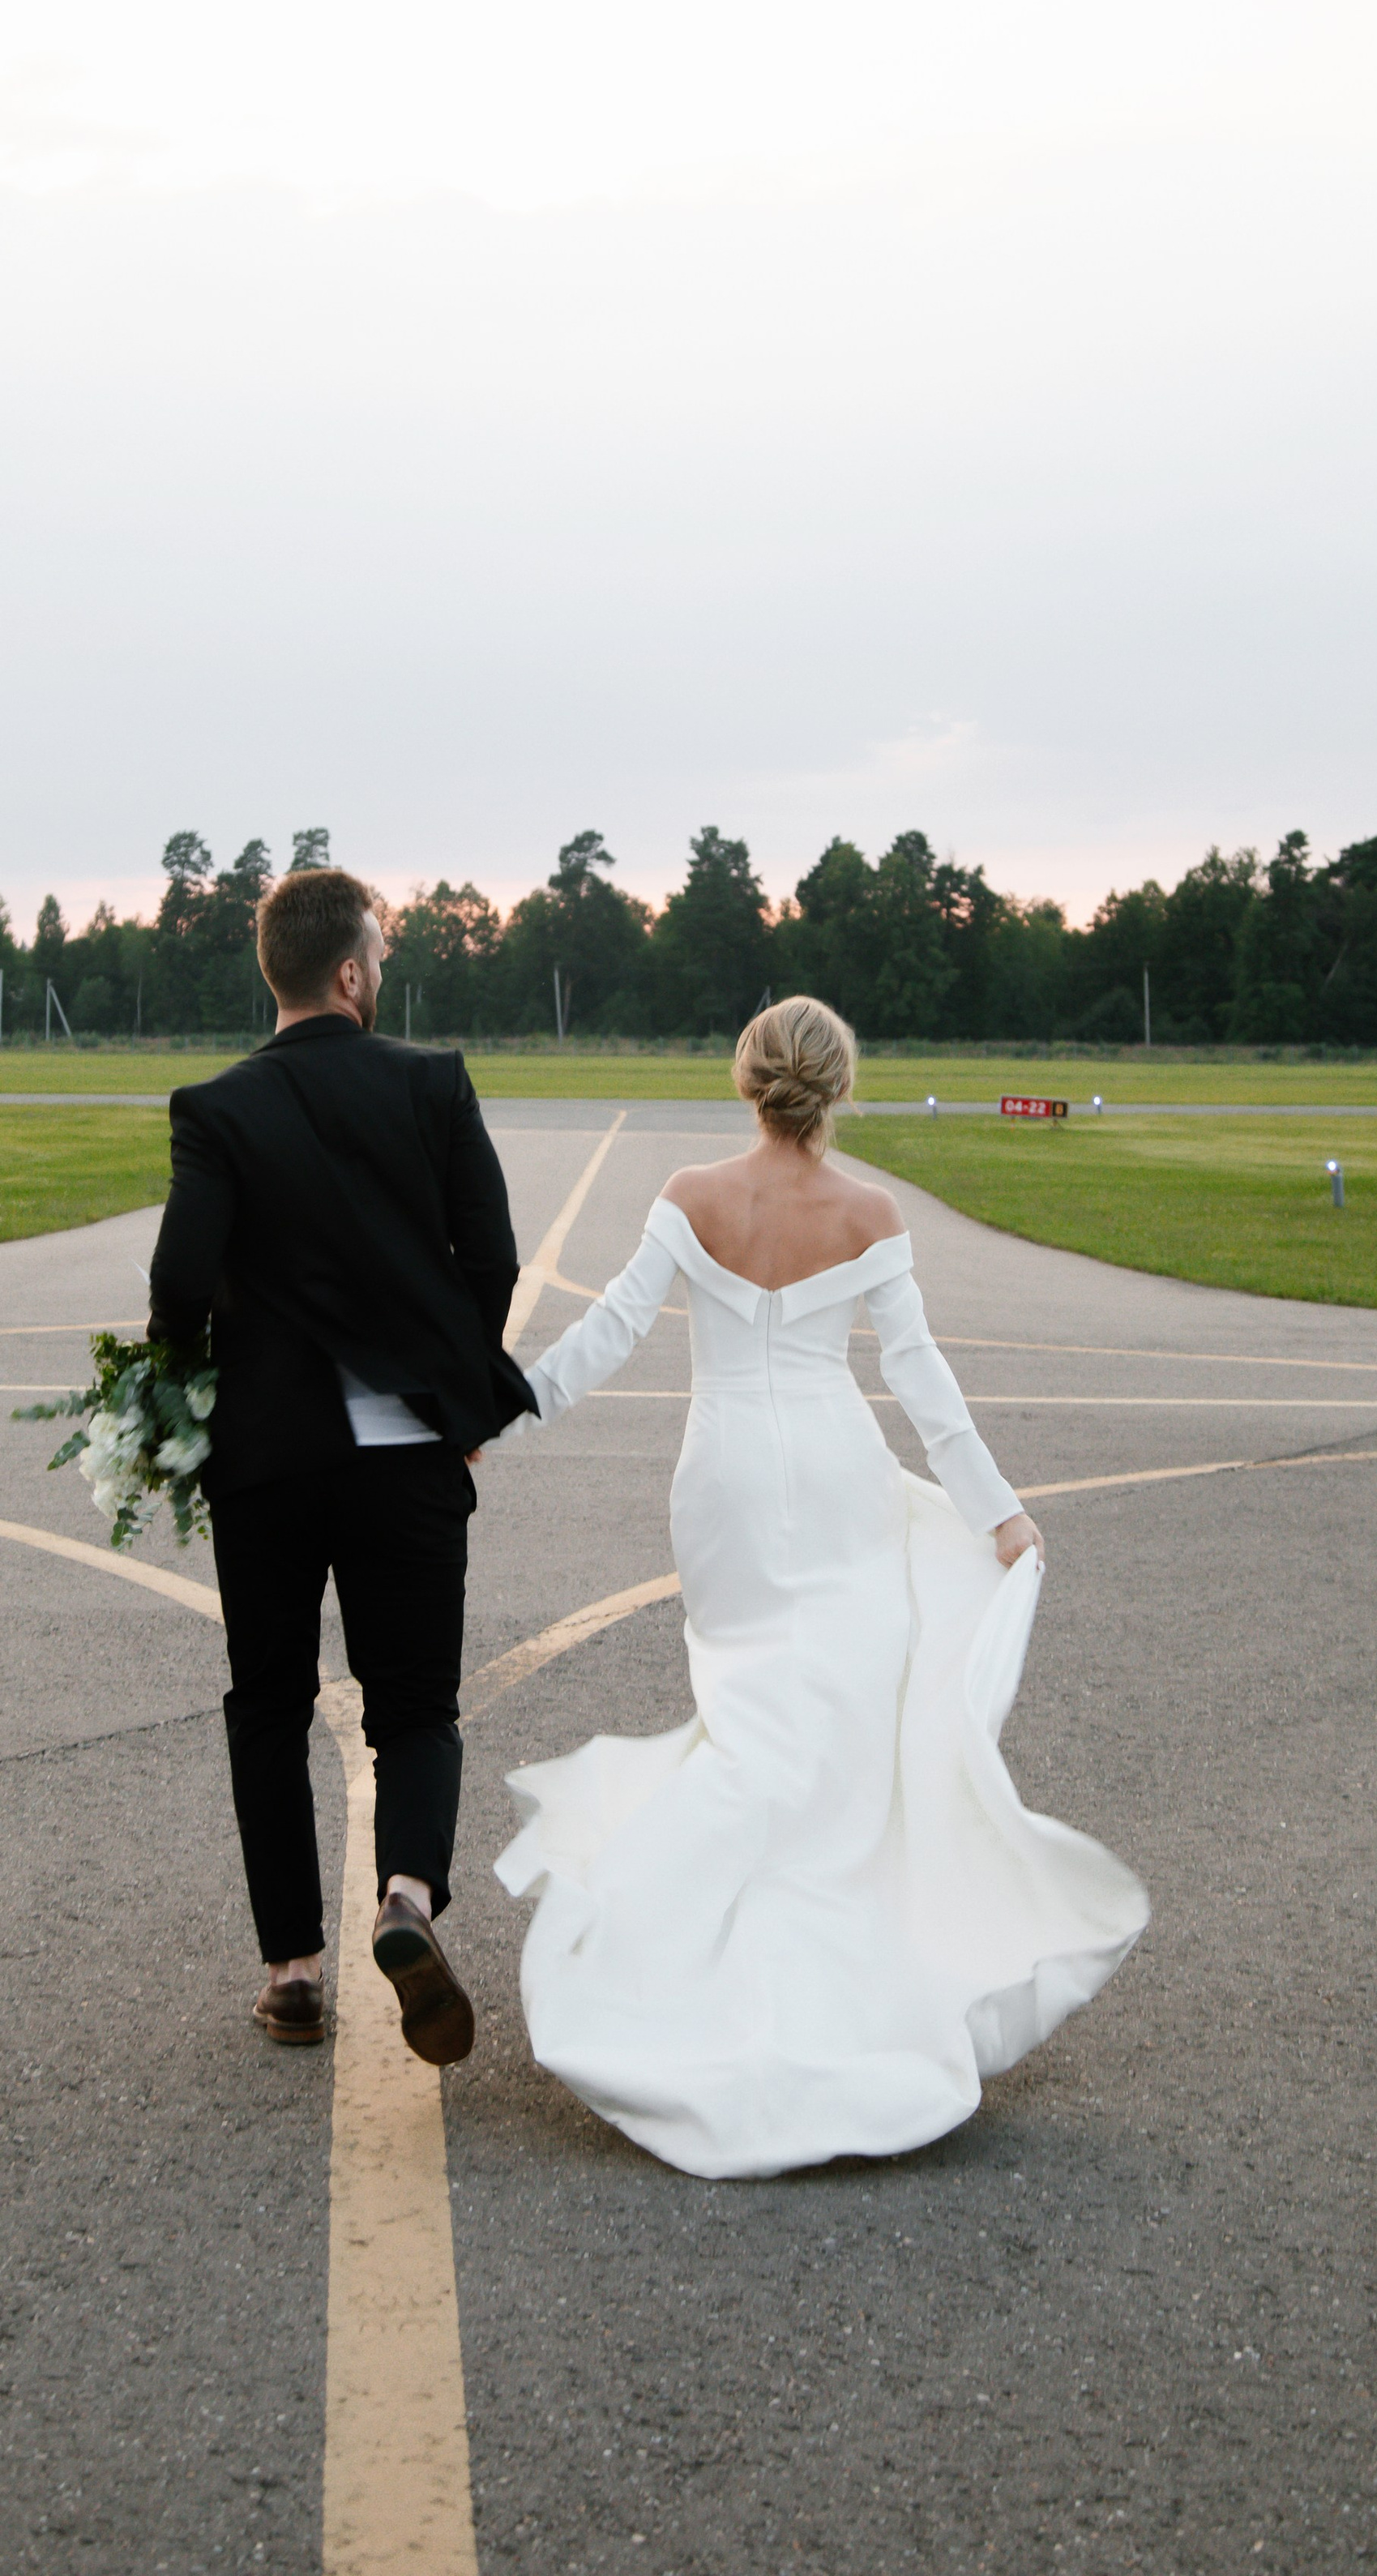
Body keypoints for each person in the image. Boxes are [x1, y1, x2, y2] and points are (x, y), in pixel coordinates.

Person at [494, 995, 1148, 2179]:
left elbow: (613, 1331)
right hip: (838, 1476)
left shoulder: (693, 1195)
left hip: (729, 1484)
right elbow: (919, 1377)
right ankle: (829, 1984)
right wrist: (998, 1511)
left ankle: (672, 1951)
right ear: (840, 1088)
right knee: (837, 1736)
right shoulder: (870, 1211)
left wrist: (507, 1410)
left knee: (757, 1728)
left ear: (747, 1081)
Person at [148, 867, 534, 2061]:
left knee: (267, 1704)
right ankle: (408, 1899)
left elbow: (177, 1283)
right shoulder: (430, 1084)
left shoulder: (215, 1109)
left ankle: (294, 1972)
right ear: (354, 973)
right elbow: (493, 1255)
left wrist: (181, 1401)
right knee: (414, 1708)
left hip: (266, 1457)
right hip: (405, 1452)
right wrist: (460, 1390)